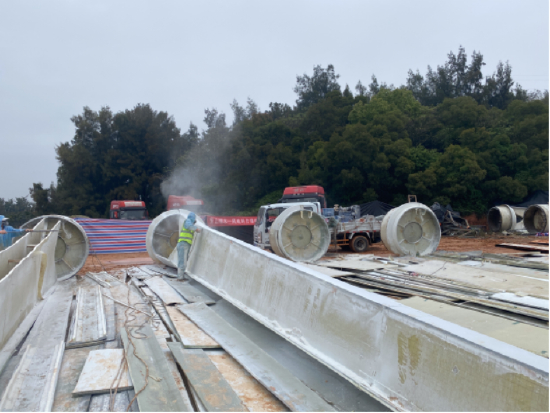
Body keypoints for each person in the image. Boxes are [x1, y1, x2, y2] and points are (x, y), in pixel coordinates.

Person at [177, 212, 201, 280]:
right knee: (182, 262)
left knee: (183, 261)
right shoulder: (188, 221)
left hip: (185, 244)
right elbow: (189, 226)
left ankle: (181, 276)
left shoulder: (190, 223)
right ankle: (180, 277)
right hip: (183, 244)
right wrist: (196, 229)